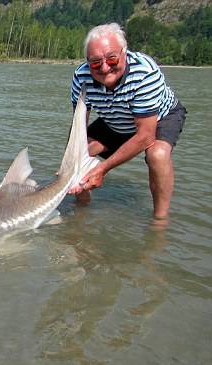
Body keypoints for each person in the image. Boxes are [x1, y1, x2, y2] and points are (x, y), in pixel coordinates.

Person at [69, 23, 186, 221]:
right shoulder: (81, 77)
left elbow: (145, 137)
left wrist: (102, 169)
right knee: (79, 155)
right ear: (88, 61)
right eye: (96, 63)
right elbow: (77, 130)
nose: (105, 68)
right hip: (116, 118)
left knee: (157, 155)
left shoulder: (144, 73)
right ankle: (81, 208)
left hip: (159, 118)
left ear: (124, 52)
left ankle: (160, 220)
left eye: (112, 59)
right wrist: (69, 163)